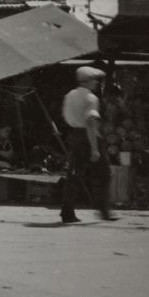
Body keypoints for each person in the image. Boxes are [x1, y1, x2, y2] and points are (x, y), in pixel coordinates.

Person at [59, 64, 114, 223]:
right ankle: (103, 210)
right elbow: (90, 122)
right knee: (104, 174)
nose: (96, 83)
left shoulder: (70, 95)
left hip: (75, 135)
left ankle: (67, 212)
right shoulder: (91, 98)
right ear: (88, 81)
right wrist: (95, 148)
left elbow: (66, 116)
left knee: (74, 174)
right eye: (94, 80)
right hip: (89, 136)